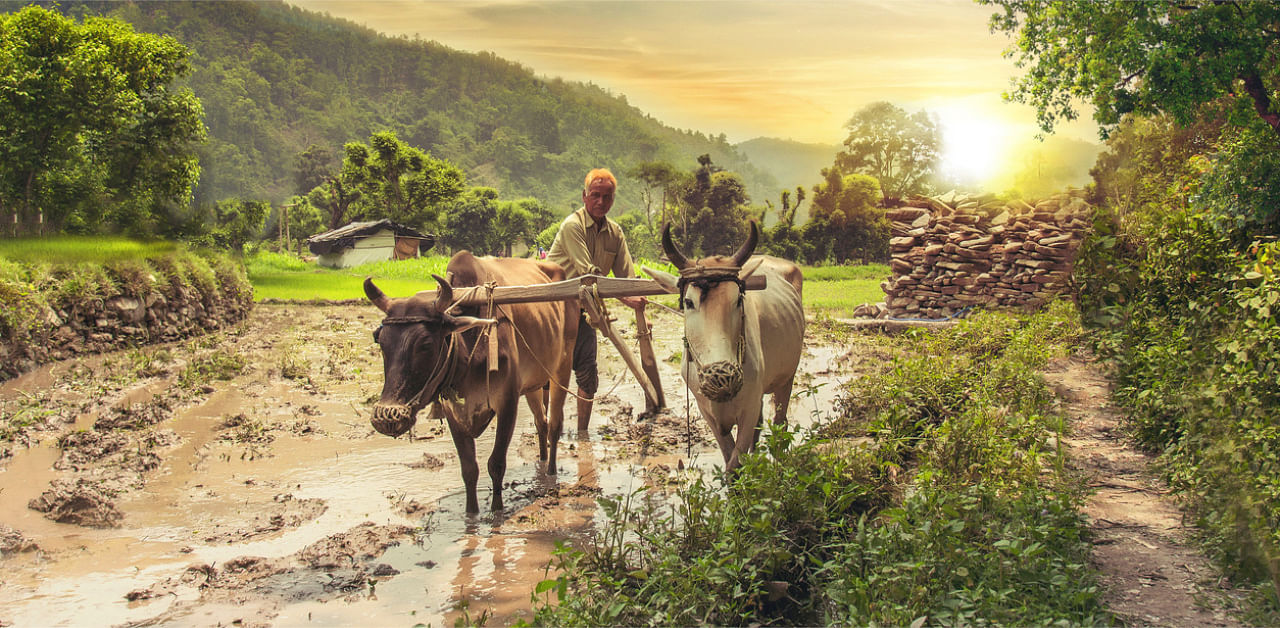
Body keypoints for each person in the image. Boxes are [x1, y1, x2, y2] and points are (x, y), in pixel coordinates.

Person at [547, 168, 645, 434]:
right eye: (595, 195)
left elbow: (627, 276)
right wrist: (625, 297)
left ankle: (582, 435)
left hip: (584, 311)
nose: (601, 202)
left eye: (607, 196)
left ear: (613, 200)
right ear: (584, 196)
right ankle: (545, 432)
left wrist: (636, 293)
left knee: (587, 375)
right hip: (553, 311)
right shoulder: (572, 226)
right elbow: (588, 273)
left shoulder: (615, 232)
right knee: (547, 376)